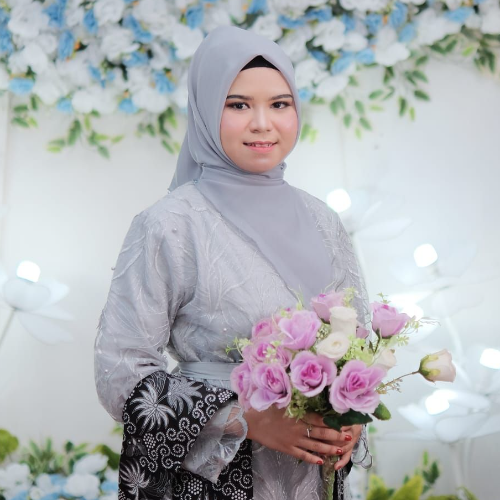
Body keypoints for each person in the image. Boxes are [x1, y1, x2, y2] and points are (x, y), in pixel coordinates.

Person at [95, 26, 372, 500]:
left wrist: (350, 414)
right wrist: (247, 418)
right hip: (216, 480)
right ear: (204, 111)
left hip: (310, 474)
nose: (262, 123)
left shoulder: (322, 219)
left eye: (279, 104)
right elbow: (120, 372)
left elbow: (356, 338)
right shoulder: (171, 224)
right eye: (238, 105)